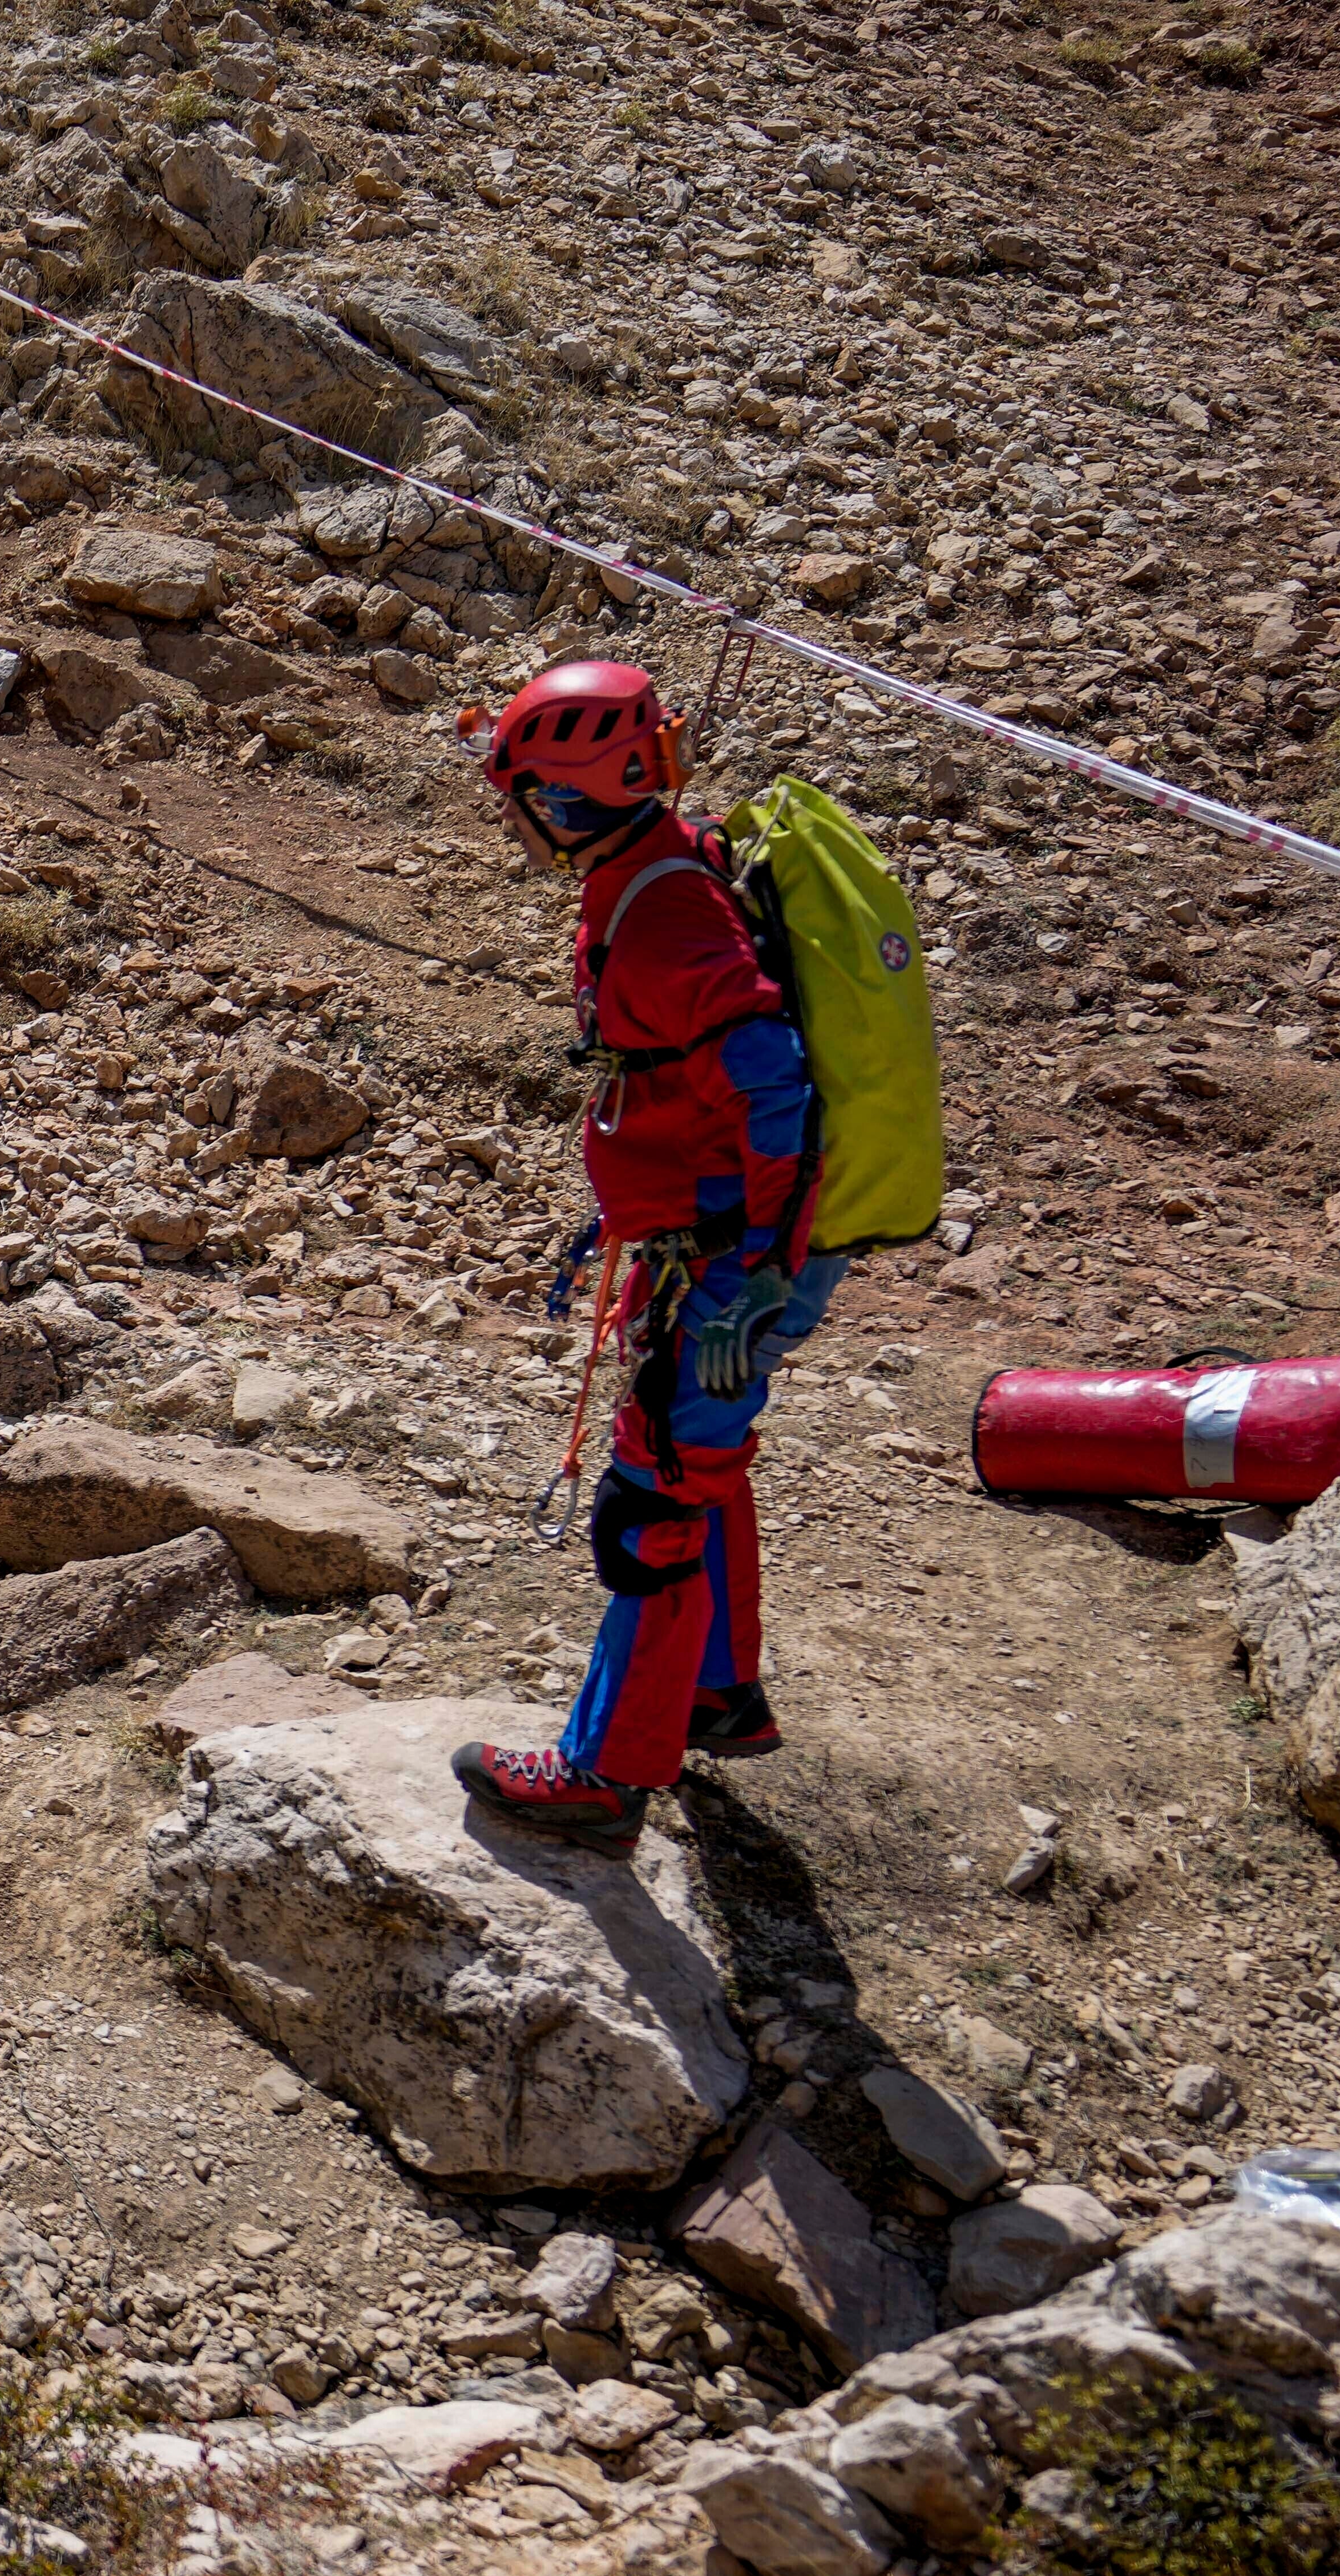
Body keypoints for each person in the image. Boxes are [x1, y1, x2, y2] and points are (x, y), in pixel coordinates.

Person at [450, 657, 846, 1857]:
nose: (510, 815)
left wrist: (754, 1281)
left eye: (519, 792)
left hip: (725, 1261)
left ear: (563, 797)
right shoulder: (646, 869)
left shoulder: (667, 917)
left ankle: (605, 1773)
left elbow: (777, 1093)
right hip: (704, 1240)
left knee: (656, 1497)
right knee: (698, 1465)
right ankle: (716, 1692)